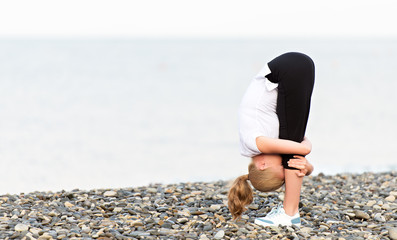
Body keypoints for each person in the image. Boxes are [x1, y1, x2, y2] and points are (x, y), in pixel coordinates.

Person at [228, 52, 315, 227]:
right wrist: (308, 167)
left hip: (287, 70)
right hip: (295, 67)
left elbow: (302, 148)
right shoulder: (259, 144)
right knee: (293, 145)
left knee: (292, 152)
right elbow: (300, 143)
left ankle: (290, 213)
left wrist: (304, 159)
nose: (285, 163)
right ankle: (290, 212)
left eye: (281, 166)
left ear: (262, 165)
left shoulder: (255, 143)